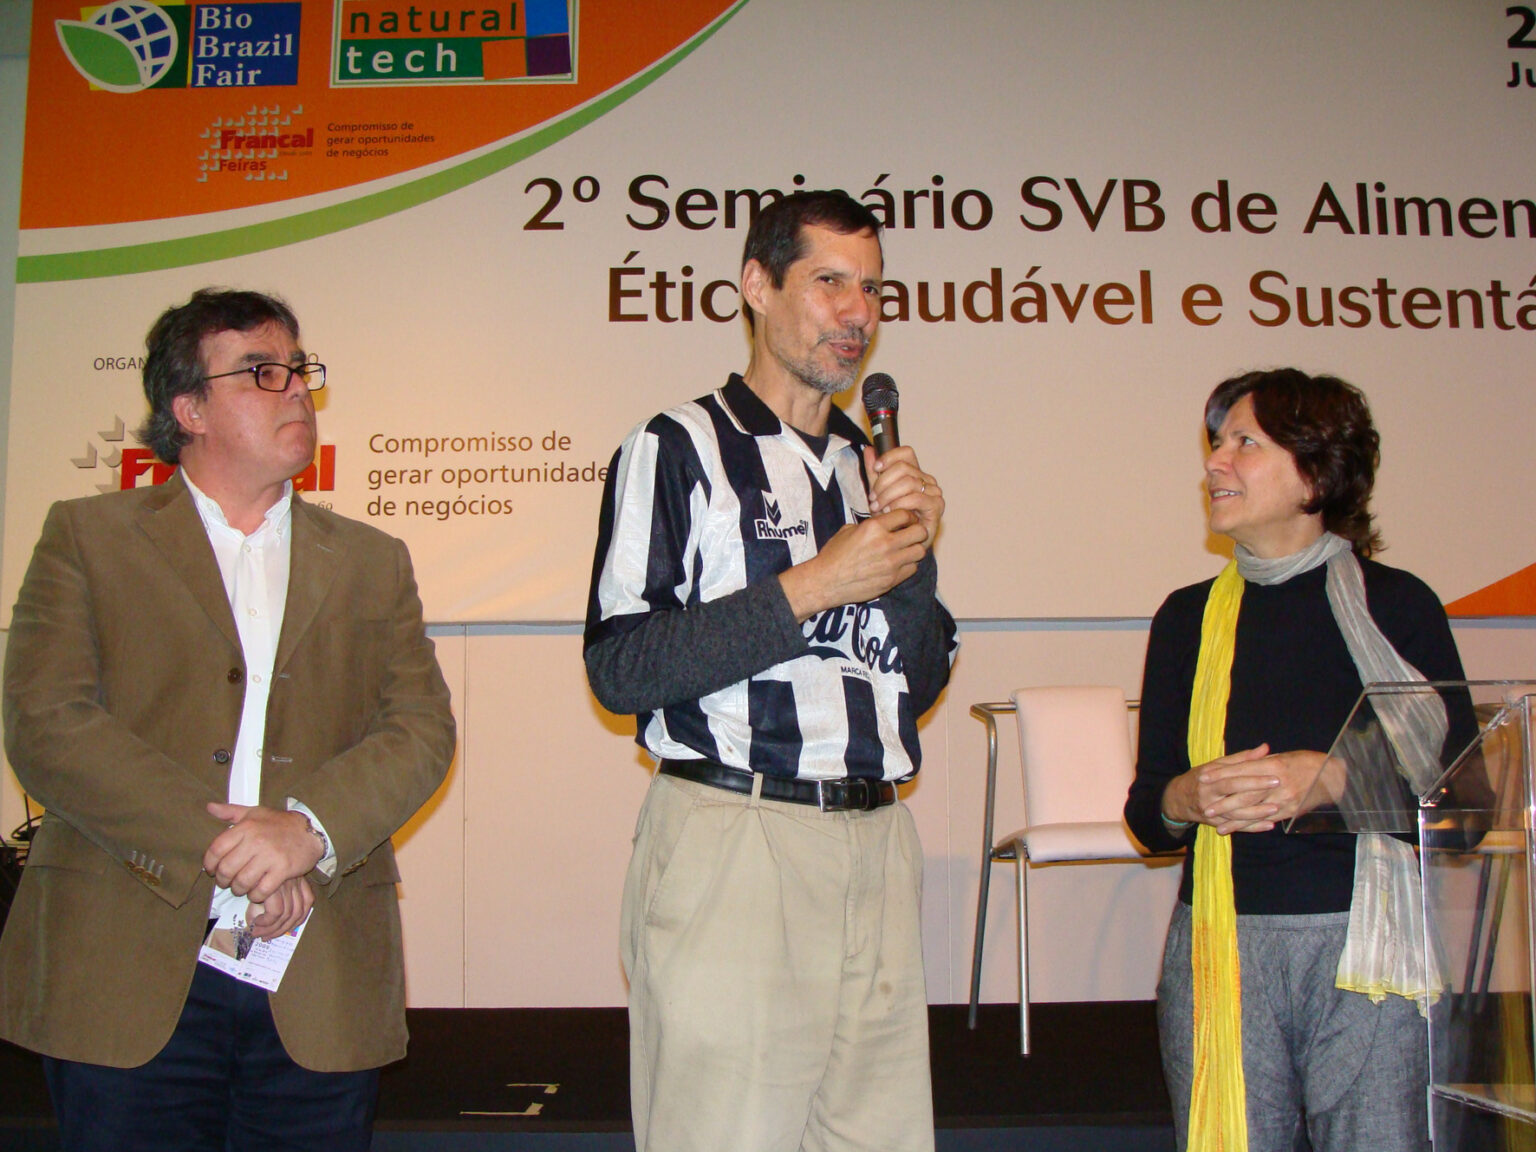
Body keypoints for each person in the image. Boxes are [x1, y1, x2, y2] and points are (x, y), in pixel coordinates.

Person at [0, 288, 456, 1151]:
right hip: (121, 964)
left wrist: (307, 832)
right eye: (261, 371)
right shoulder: (88, 536)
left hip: (317, 969)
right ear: (189, 409)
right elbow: (46, 722)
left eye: (299, 369)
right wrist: (238, 851)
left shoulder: (372, 561)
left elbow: (420, 729)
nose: (297, 389)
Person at [584, 190, 957, 1152]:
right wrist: (813, 586)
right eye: (830, 282)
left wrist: (913, 558)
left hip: (878, 843)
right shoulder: (677, 447)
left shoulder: (870, 468)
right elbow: (621, 666)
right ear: (757, 285)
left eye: (872, 288)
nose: (857, 312)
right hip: (736, 838)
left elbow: (914, 684)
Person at [1124, 368, 1472, 1152]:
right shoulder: (1185, 619)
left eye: (1244, 442)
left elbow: (1463, 803)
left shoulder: (1399, 605)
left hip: (1368, 953)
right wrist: (1184, 796)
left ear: (1315, 474)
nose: (1215, 462)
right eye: (1217, 443)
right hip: (1217, 949)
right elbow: (1147, 815)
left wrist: (1337, 777)